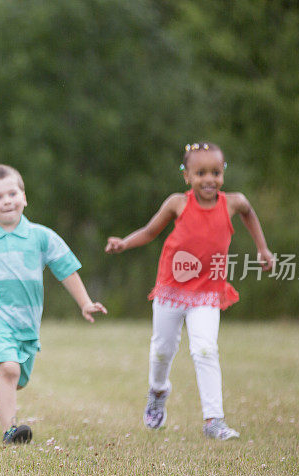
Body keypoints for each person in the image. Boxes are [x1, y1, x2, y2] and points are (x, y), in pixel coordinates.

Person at [105, 142, 274, 440]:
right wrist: (124, 243)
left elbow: (249, 213)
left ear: (223, 173)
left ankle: (214, 420)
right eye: (201, 173)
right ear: (187, 176)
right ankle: (157, 392)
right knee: (162, 350)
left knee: (206, 349)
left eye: (216, 172)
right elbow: (149, 232)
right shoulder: (177, 204)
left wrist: (262, 249)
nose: (209, 179)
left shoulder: (233, 202)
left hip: (208, 292)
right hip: (171, 290)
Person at [0, 164, 107, 444]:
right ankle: (11, 430)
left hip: (27, 324)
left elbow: (65, 268)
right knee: (9, 370)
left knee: (17, 380)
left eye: (12, 193)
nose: (6, 200)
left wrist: (85, 303)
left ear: (24, 197)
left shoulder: (41, 236)